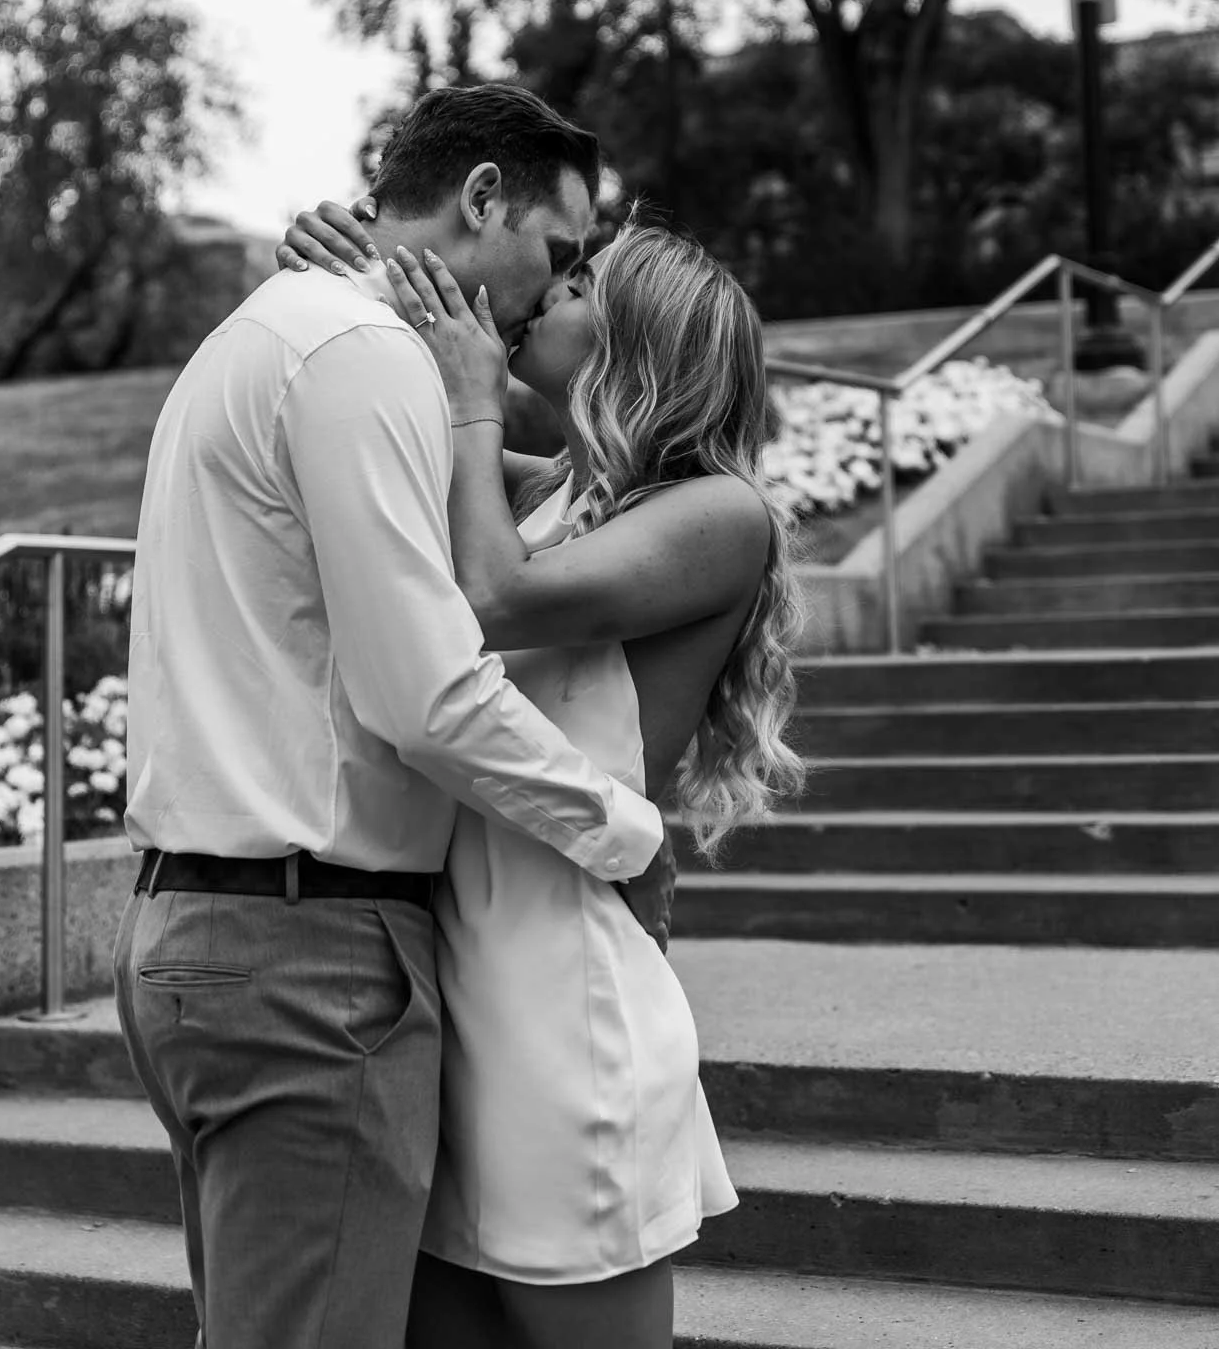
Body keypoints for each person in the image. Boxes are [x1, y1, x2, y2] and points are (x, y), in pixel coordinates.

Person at [112, 85, 675, 1349]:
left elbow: (514, 511)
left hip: (197, 931)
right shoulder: (357, 353)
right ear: (481, 197)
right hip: (306, 958)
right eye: (560, 252)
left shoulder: (276, 331)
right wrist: (628, 834)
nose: (554, 287)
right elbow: (425, 695)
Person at [278, 198, 805, 1349]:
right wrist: (357, 260)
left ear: (633, 347)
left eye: (572, 291)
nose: (540, 296)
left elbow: (491, 595)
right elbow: (407, 456)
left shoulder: (720, 515)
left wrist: (472, 397)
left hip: (563, 1005)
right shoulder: (551, 492)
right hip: (445, 981)